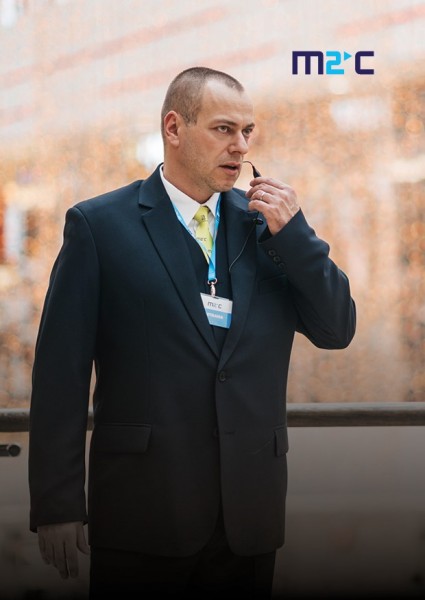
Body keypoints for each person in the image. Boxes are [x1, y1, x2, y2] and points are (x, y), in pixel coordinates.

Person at [29, 66, 356, 599]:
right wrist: (57, 504)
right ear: (174, 128)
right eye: (224, 129)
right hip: (141, 513)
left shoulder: (269, 227)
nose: (240, 146)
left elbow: (337, 329)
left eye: (247, 131)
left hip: (249, 516)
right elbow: (59, 375)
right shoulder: (98, 226)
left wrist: (296, 236)